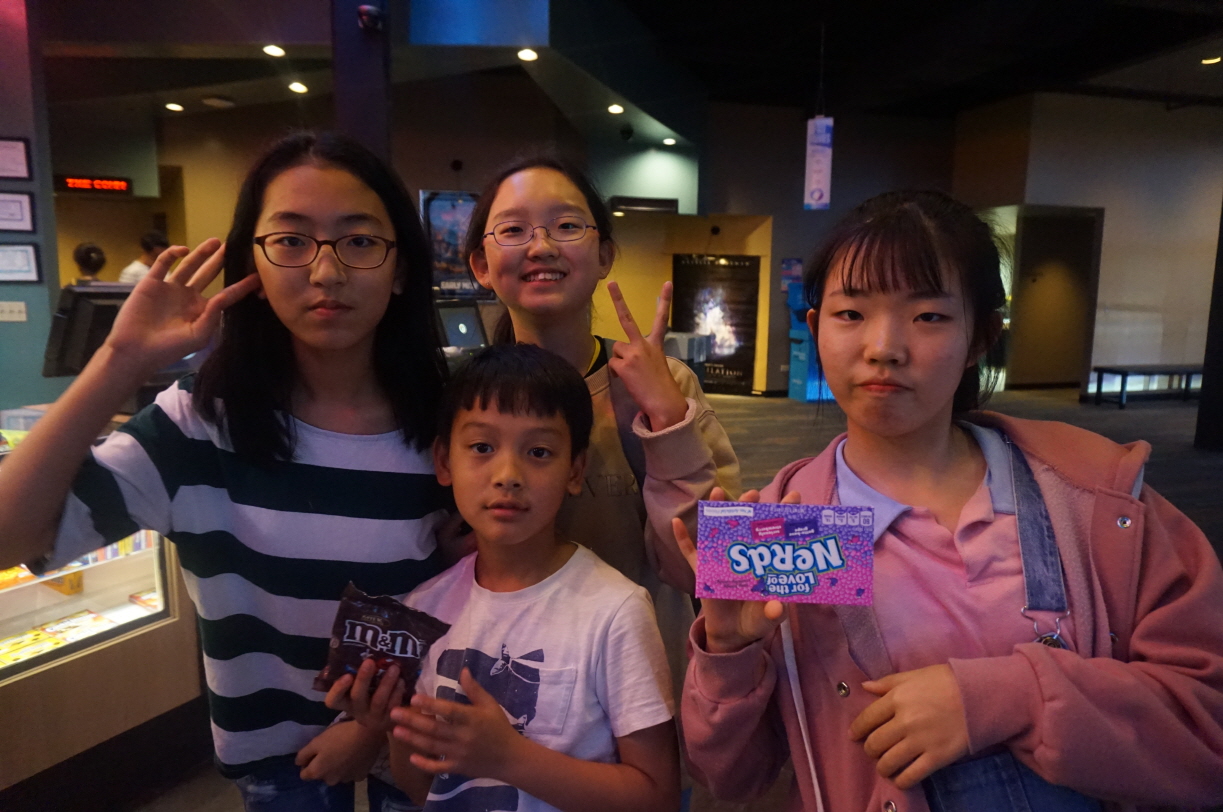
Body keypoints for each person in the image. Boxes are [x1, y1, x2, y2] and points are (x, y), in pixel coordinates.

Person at [677, 190, 1223, 812]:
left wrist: (1008, 699)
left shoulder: (1094, 495)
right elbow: (731, 779)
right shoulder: (783, 522)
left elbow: (1207, 724)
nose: (883, 347)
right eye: (850, 313)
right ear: (815, 325)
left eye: (929, 316)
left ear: (981, 336)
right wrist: (728, 653)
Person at [0, 131, 450, 811]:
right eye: (291, 241)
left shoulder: (449, 422)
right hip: (277, 756)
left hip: (417, 737)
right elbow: (11, 536)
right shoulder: (199, 424)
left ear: (401, 269)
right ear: (253, 267)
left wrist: (371, 728)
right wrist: (121, 358)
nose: (326, 272)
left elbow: (476, 595)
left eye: (359, 241)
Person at [325, 343, 680, 812]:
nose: (508, 475)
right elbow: (426, 790)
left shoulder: (614, 612)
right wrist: (392, 724)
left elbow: (657, 796)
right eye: (482, 447)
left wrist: (510, 758)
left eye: (538, 451)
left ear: (575, 470)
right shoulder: (424, 610)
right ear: (444, 462)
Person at [461, 156, 740, 702]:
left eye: (566, 225)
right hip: (508, 697)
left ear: (605, 255)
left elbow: (716, 567)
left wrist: (668, 420)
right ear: (481, 264)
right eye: (514, 230)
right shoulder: (463, 402)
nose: (541, 246)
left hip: (640, 695)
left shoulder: (666, 385)